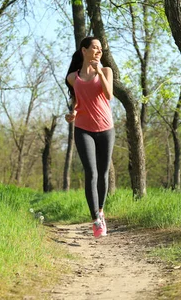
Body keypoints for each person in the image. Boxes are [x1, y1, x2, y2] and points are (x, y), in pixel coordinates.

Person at [65, 37, 115, 238]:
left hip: (106, 128)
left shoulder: (106, 71)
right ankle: (95, 219)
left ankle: (101, 211)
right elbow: (77, 101)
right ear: (84, 50)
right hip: (83, 129)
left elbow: (109, 95)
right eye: (95, 47)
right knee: (91, 173)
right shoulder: (72, 77)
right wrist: (73, 113)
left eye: (100, 49)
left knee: (103, 174)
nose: (98, 51)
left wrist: (99, 71)